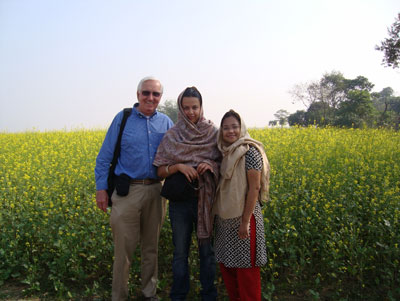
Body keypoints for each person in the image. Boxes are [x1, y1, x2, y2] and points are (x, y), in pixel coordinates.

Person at [94, 76, 173, 301]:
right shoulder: (123, 118)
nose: (150, 98)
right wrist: (101, 189)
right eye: (146, 93)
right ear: (137, 94)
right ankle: (119, 296)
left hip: (157, 191)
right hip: (126, 193)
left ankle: (149, 294)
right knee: (123, 250)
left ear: (160, 97)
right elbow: (104, 157)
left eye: (155, 94)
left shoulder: (166, 122)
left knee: (151, 248)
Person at [153, 87, 220, 301]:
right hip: (180, 204)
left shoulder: (213, 133)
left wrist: (209, 164)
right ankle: (179, 295)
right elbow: (160, 170)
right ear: (180, 109)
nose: (191, 112)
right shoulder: (172, 135)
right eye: (186, 108)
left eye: (195, 107)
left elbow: (223, 163)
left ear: (201, 107)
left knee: (207, 252)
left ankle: (208, 295)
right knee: (180, 252)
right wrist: (179, 166)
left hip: (206, 200)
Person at [213, 109, 270, 301]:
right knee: (229, 270)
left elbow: (254, 189)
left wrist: (245, 222)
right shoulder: (224, 153)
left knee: (247, 274)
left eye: (235, 127)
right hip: (225, 221)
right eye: (226, 128)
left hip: (245, 221)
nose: (230, 131)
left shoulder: (250, 152)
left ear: (242, 128)